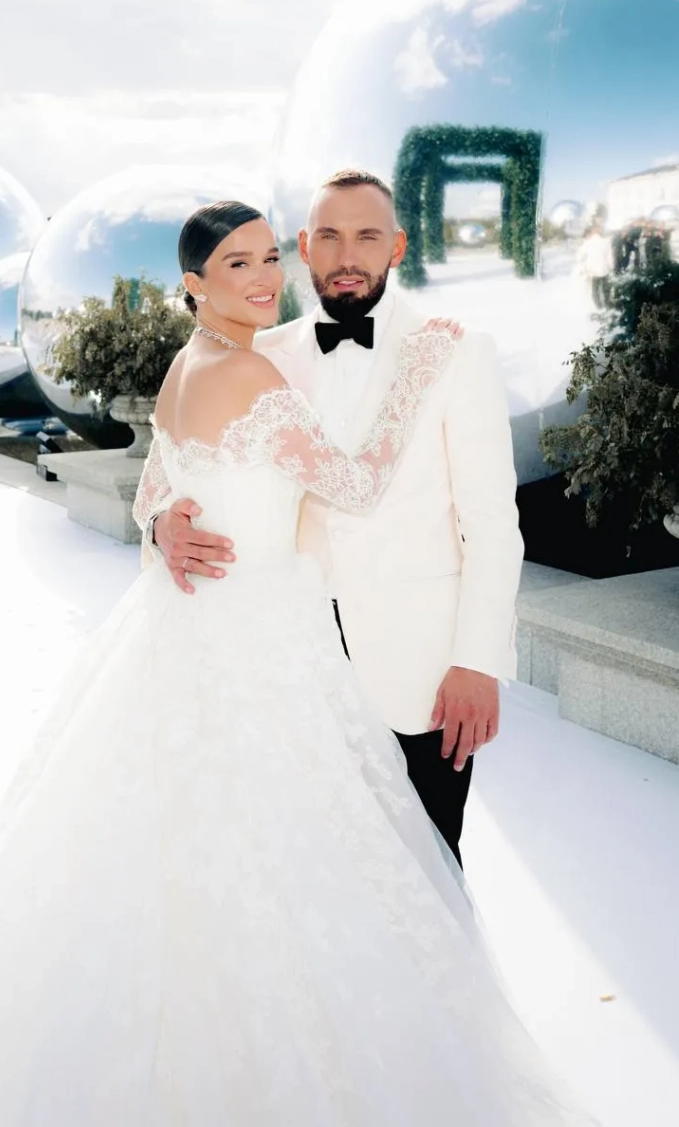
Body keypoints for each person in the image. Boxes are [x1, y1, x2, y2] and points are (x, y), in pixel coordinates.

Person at [0, 200, 595, 1125]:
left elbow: (157, 481)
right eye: (238, 264)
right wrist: (413, 377)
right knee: (313, 862)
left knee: (215, 854)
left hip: (234, 638)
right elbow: (357, 485)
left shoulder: (190, 363)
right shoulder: (257, 368)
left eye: (266, 258)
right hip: (267, 645)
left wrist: (164, 519)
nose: (264, 278)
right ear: (194, 285)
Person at [144, 169, 524, 868]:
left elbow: (494, 523)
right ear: (305, 247)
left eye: (367, 236)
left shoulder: (456, 351)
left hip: (418, 670)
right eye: (329, 236)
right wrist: (164, 524)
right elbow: (187, 463)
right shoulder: (259, 350)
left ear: (397, 246)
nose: (347, 256)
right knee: (307, 875)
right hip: (288, 672)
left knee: (429, 873)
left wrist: (477, 661)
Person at [577, 224, 614, 309]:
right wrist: (611, 267)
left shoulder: (588, 243)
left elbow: (579, 256)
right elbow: (610, 257)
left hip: (593, 272)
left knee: (595, 292)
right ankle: (608, 306)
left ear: (592, 233)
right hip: (605, 270)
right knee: (605, 290)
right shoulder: (606, 242)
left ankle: (599, 307)